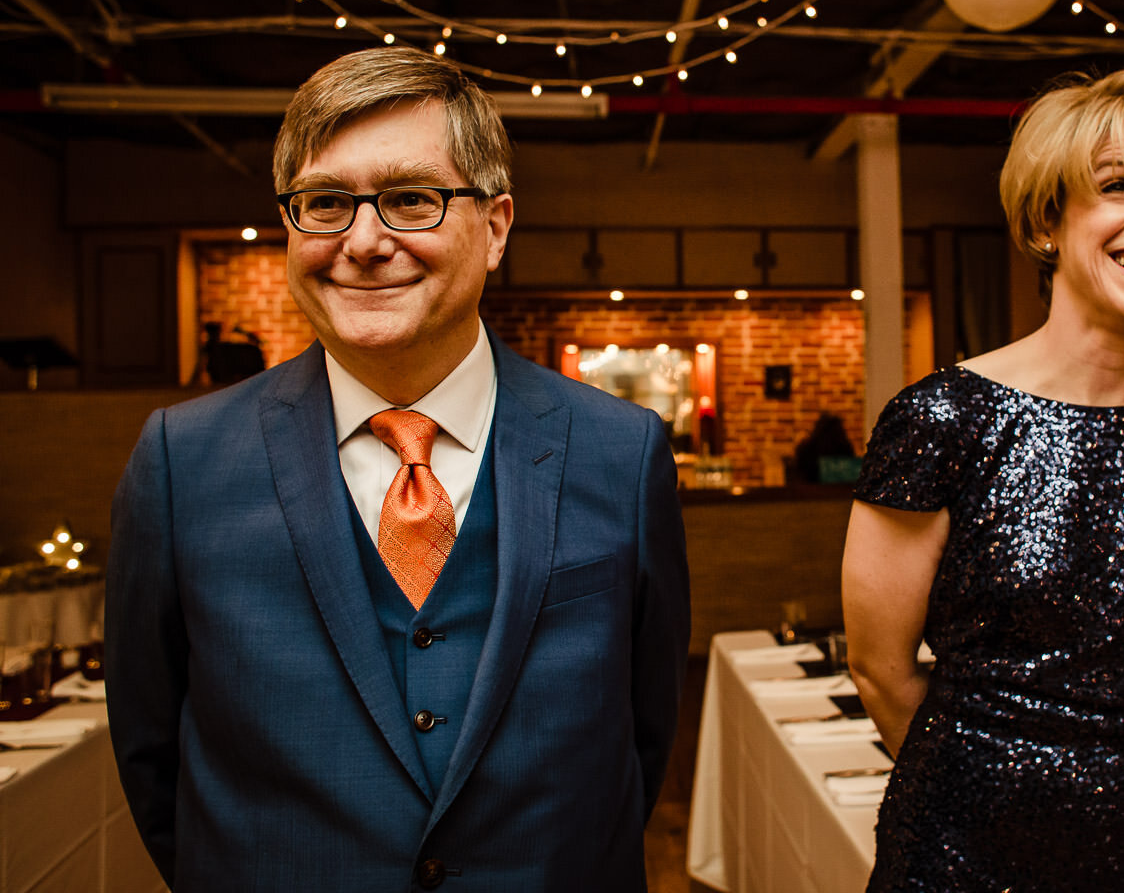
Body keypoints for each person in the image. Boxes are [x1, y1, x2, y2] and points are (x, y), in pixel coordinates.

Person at [105, 46, 691, 892]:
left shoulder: (622, 452)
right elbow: (150, 751)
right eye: (326, 203)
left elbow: (642, 731)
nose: (365, 241)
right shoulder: (180, 461)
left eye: (411, 199)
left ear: (494, 229)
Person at [841, 69, 1124, 892]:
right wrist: (986, 794)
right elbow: (879, 668)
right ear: (1049, 219)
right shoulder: (941, 419)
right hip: (960, 852)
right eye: (1119, 186)